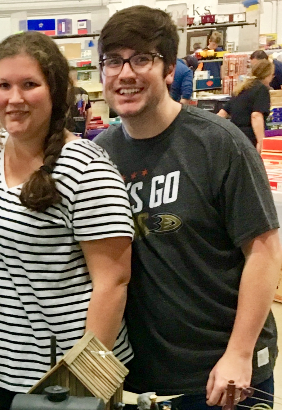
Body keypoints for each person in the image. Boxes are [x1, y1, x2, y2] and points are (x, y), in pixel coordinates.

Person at [94, 6, 281, 410]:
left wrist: (240, 353)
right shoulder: (98, 157)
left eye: (141, 58)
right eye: (113, 61)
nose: (125, 74)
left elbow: (264, 253)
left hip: (221, 376)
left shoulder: (218, 143)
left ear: (169, 69)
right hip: (141, 377)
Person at [0, 31, 134, 410]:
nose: (14, 98)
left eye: (30, 84)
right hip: (6, 366)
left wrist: (84, 385)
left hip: (65, 376)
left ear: (55, 90)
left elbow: (113, 281)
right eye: (3, 85)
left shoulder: (86, 169)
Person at [217, 59, 274, 153]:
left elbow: (222, 114)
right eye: (272, 75)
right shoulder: (261, 89)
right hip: (249, 139)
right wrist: (261, 141)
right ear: (267, 75)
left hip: (235, 136)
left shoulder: (241, 88)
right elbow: (256, 116)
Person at [68, 66, 93, 135]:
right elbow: (90, 111)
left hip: (69, 126)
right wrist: (86, 126)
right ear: (76, 78)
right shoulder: (83, 92)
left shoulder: (66, 92)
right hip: (81, 125)